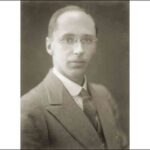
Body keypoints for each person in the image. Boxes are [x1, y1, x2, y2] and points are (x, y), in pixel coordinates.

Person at [21, 5, 128, 149]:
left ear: (95, 45)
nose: (79, 50)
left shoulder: (104, 95)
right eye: (68, 39)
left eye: (87, 40)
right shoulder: (28, 109)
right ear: (49, 46)